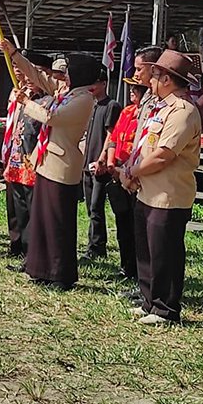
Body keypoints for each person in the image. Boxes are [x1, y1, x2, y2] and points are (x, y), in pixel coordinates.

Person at [0, 38, 99, 290]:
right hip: (45, 161)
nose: (64, 76)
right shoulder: (67, 92)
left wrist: (26, 103)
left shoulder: (84, 99)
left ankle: (61, 274)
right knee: (42, 220)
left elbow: (52, 117)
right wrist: (14, 54)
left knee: (58, 223)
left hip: (63, 166)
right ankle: (40, 268)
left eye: (69, 72)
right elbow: (38, 75)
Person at [121, 50, 201, 325]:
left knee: (164, 253)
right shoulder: (160, 107)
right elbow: (145, 145)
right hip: (148, 189)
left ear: (167, 79)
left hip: (169, 194)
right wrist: (133, 173)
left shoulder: (183, 111)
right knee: (146, 250)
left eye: (154, 75)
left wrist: (131, 171)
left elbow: (164, 154)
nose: (150, 80)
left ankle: (166, 309)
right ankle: (149, 301)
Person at [97, 77, 149, 280]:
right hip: (117, 173)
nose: (131, 92)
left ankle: (139, 271)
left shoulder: (145, 116)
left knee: (137, 227)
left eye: (135, 89)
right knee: (123, 224)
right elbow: (114, 138)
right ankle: (126, 267)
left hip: (136, 177)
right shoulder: (127, 112)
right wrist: (110, 163)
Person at [2, 55, 47, 266]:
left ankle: (32, 255)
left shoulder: (46, 102)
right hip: (17, 161)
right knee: (18, 209)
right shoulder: (24, 99)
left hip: (34, 164)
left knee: (32, 212)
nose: (29, 79)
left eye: (34, 74)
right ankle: (18, 247)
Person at [81, 70, 122, 262]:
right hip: (87, 161)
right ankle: (94, 244)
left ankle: (97, 247)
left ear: (104, 83)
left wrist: (102, 158)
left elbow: (111, 135)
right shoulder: (92, 106)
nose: (92, 87)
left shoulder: (111, 106)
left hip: (100, 164)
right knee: (90, 206)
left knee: (97, 206)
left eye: (95, 83)